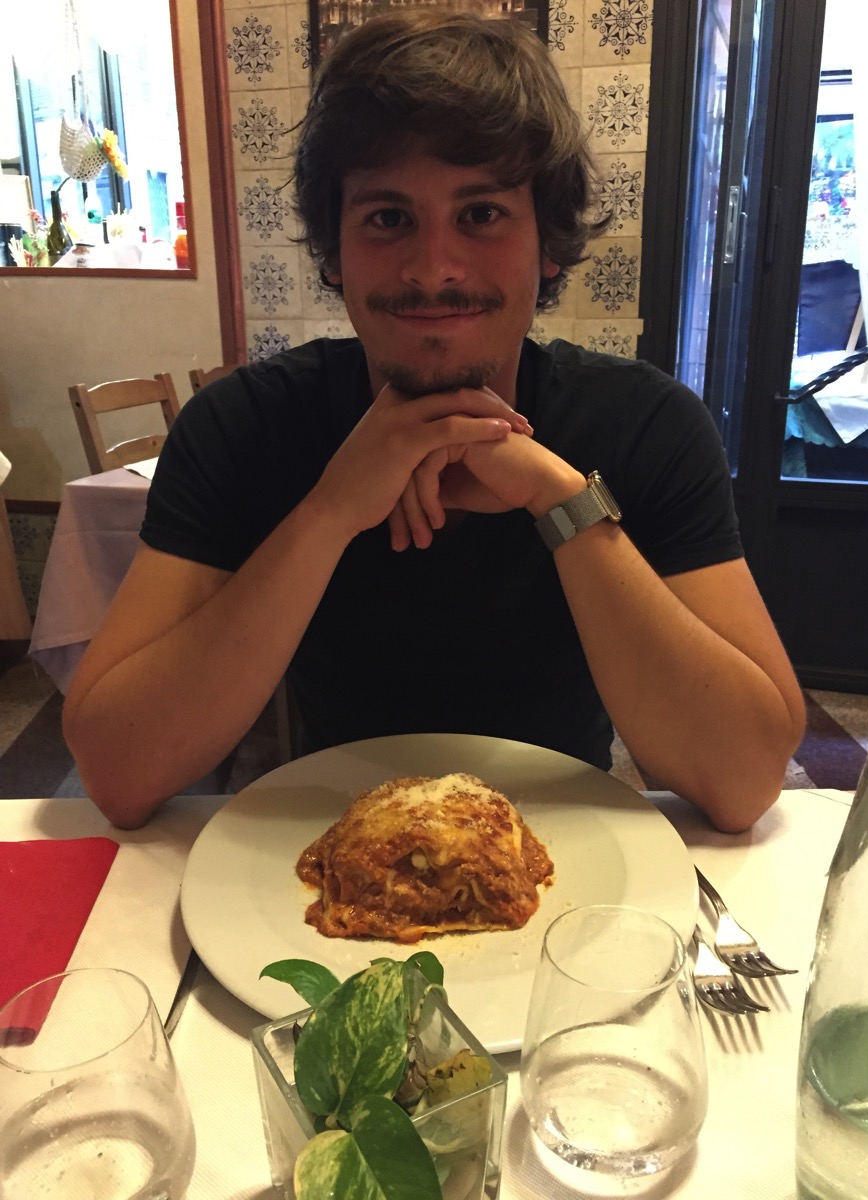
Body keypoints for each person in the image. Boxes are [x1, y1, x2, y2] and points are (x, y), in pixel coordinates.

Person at [62, 10, 805, 831]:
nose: (434, 269)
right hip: (315, 858)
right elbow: (118, 774)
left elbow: (743, 781)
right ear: (336, 251)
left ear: (547, 243)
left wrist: (563, 502)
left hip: (563, 865)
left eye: (481, 214)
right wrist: (330, 511)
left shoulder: (649, 425)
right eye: (388, 218)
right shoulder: (240, 425)